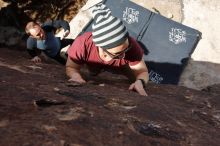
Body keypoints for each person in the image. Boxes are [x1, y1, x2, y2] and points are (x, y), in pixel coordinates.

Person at [66, 4, 149, 96]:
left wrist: (140, 81)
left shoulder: (131, 45)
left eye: (126, 49)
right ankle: (94, 71)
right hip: (93, 62)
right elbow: (71, 67)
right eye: (118, 54)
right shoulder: (82, 44)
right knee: (93, 71)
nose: (124, 55)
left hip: (123, 66)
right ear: (101, 47)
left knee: (133, 78)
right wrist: (75, 76)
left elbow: (142, 72)